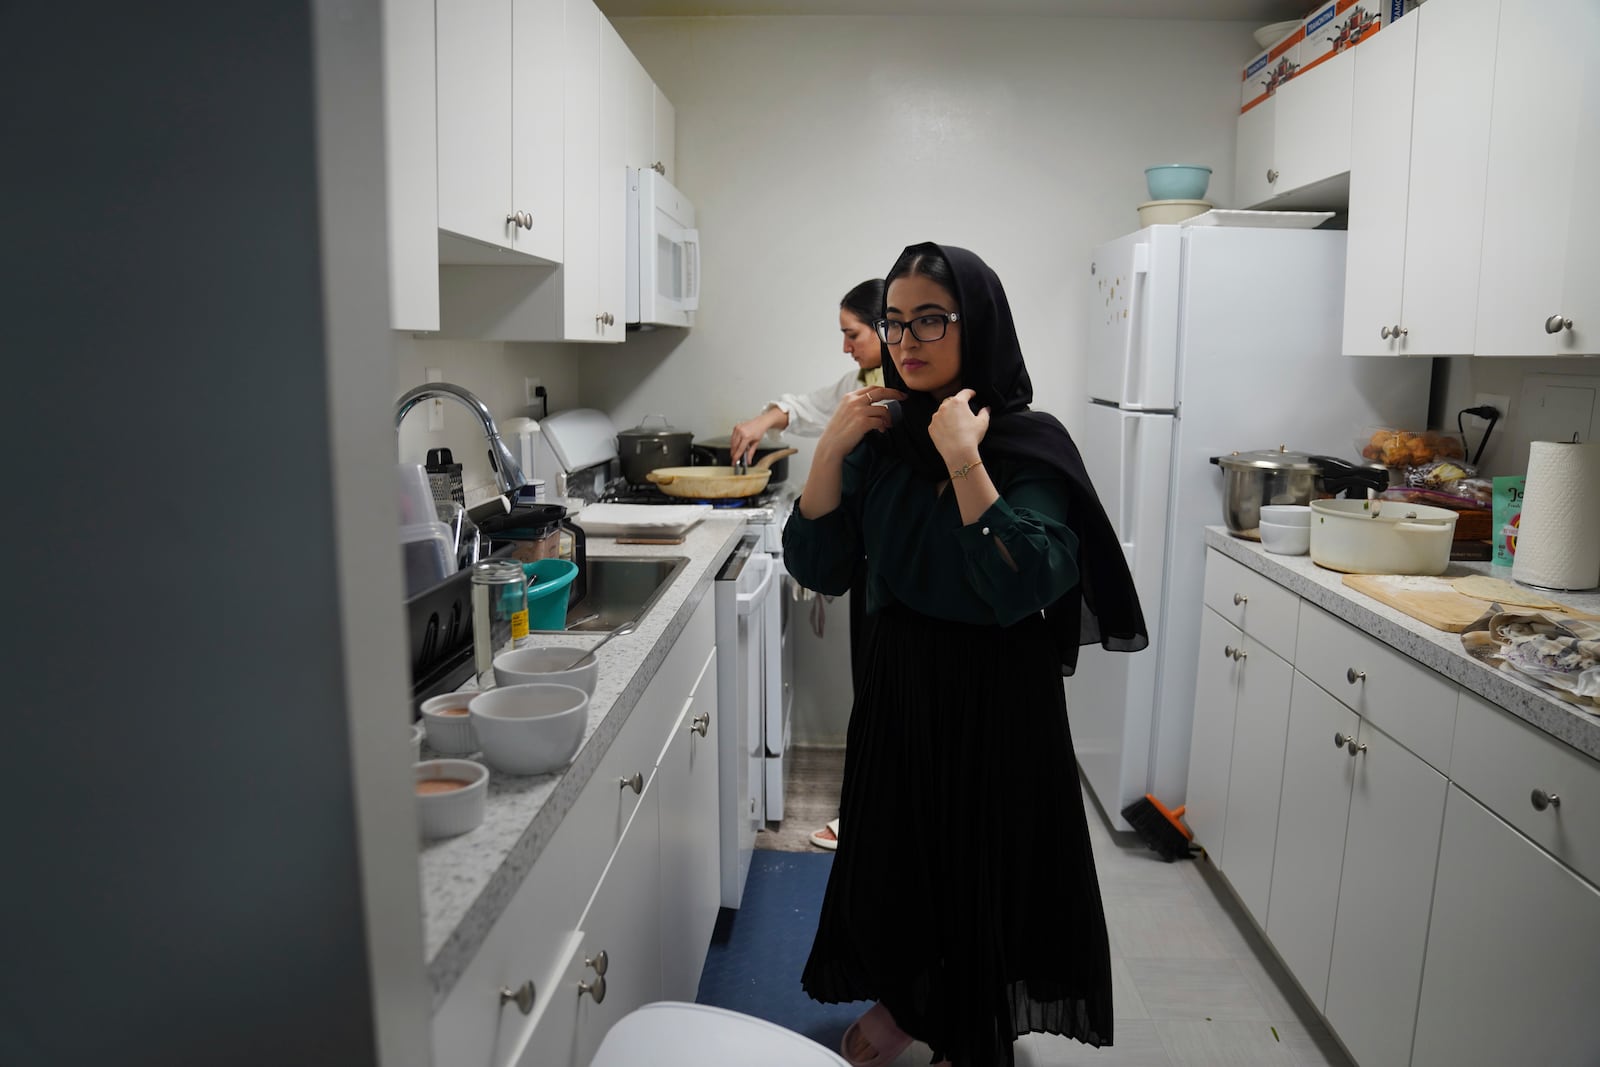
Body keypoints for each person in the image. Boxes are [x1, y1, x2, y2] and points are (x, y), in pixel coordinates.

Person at [784, 242, 1148, 1067]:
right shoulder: (879, 438)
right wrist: (828, 452)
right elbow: (819, 565)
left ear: (975, 324)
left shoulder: (1023, 441)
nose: (907, 339)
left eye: (931, 320)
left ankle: (967, 1021)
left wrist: (963, 457)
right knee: (901, 858)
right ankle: (911, 1004)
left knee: (982, 864)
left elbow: (1028, 580)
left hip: (995, 697)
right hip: (898, 685)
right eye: (896, 321)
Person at [730, 278, 888, 853]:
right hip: (871, 566)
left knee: (886, 694)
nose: (846, 345)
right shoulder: (858, 387)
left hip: (899, 570)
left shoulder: (911, 390)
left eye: (853, 334)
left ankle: (871, 816)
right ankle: (869, 809)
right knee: (873, 691)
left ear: (885, 329)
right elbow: (806, 406)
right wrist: (759, 422)